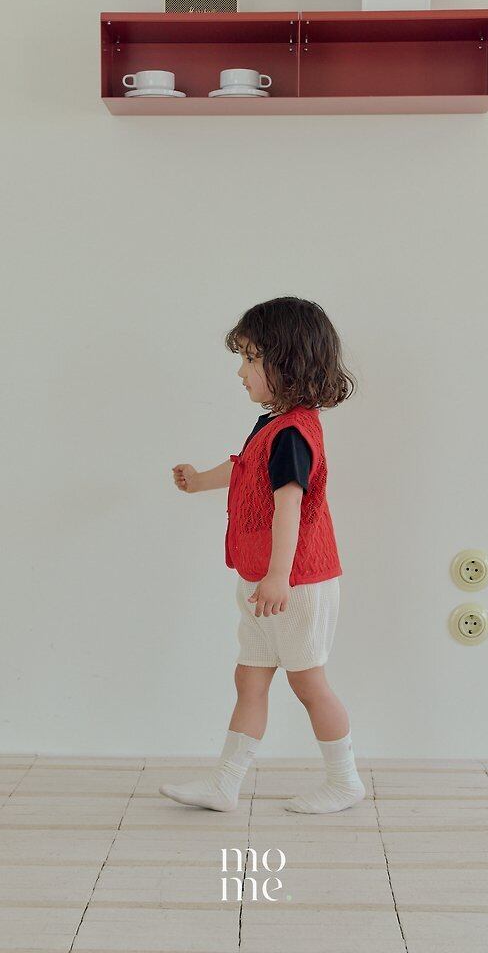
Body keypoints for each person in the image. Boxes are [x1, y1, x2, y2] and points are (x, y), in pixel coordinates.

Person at [159, 296, 365, 814]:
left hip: (295, 584)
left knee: (308, 683)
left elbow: (288, 505)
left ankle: (345, 782)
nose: (241, 371)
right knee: (249, 676)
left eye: (251, 359)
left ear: (287, 363)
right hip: (262, 581)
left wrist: (278, 576)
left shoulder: (293, 433)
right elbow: (245, 467)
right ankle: (224, 784)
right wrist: (199, 480)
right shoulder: (271, 426)